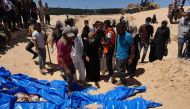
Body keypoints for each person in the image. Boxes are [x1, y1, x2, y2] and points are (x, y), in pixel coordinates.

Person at [83, 22, 103, 88]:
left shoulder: (95, 40)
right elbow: (84, 50)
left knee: (96, 68)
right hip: (90, 57)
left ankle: (96, 78)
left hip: (95, 56)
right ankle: (90, 78)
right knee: (89, 68)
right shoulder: (87, 42)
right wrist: (86, 56)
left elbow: (99, 37)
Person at [57, 26, 75, 93]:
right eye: (69, 36)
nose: (71, 37)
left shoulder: (69, 40)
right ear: (64, 35)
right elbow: (61, 57)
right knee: (69, 75)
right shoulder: (61, 43)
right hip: (63, 61)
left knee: (73, 71)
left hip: (68, 58)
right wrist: (66, 69)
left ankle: (64, 75)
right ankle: (70, 90)